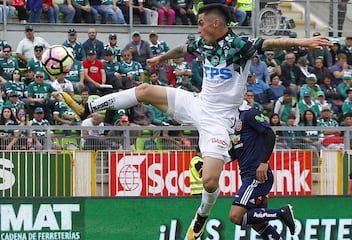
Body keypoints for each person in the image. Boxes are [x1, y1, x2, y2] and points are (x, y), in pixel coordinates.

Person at [61, 4, 331, 239]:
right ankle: (88, 108)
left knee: (210, 182)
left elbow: (269, 43)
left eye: (201, 23)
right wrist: (161, 58)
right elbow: (183, 48)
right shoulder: (203, 43)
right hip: (198, 103)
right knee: (144, 91)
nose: (198, 28)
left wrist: (304, 41)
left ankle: (202, 216)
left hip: (220, 120)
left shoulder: (238, 45)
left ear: (216, 24)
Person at [228, 103, 295, 239]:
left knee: (235, 216)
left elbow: (269, 133)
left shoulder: (250, 114)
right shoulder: (235, 123)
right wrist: (212, 165)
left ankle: (281, 212)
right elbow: (233, 153)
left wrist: (264, 162)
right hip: (249, 176)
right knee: (258, 223)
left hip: (256, 175)